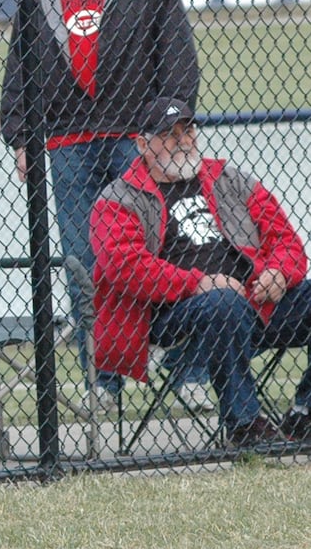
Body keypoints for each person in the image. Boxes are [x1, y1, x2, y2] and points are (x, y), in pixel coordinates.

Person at [0, 0, 199, 403]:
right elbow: (20, 60)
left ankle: (183, 364)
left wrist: (172, 116)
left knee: (163, 246)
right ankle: (103, 378)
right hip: (65, 139)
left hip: (133, 132)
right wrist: (19, 133)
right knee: (85, 262)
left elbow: (175, 45)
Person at [91, 96, 311, 446]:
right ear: (142, 144)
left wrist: (279, 273)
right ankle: (245, 426)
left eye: (187, 130)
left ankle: (304, 415)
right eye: (168, 134)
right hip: (173, 316)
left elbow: (285, 239)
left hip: (256, 301)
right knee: (223, 303)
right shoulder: (119, 198)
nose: (182, 140)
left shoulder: (229, 179)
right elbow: (126, 267)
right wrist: (199, 283)